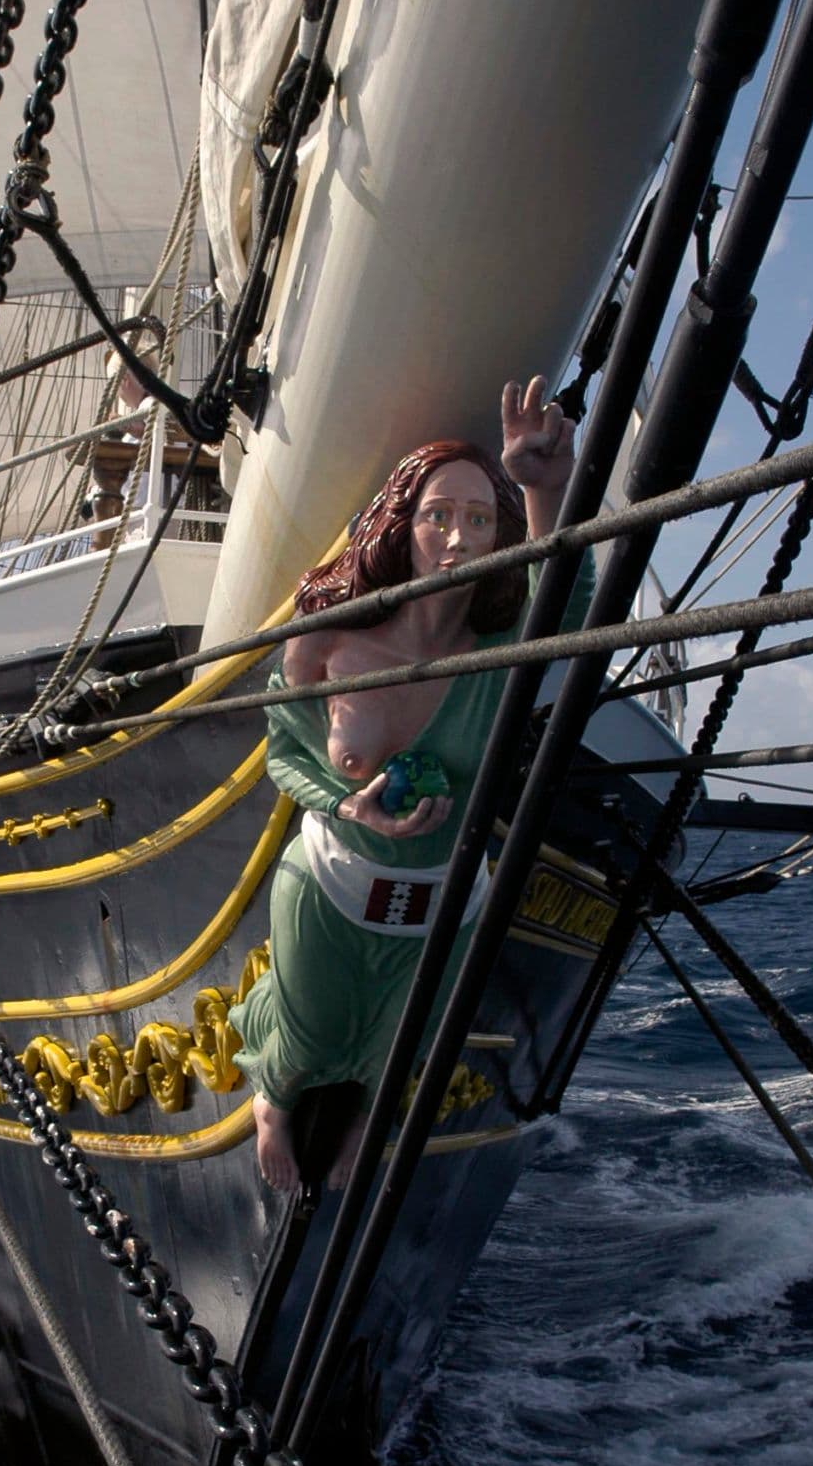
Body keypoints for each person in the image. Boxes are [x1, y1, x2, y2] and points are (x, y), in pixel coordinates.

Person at [232, 376, 589, 1193]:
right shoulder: (328, 645)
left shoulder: (500, 657)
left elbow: (570, 609)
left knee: (406, 1040)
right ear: (404, 523)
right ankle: (274, 1101)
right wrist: (339, 800)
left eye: (478, 520)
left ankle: (367, 1118)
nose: (457, 539)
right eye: (438, 517)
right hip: (333, 883)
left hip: (441, 896)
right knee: (311, 1031)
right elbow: (281, 754)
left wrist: (546, 489)